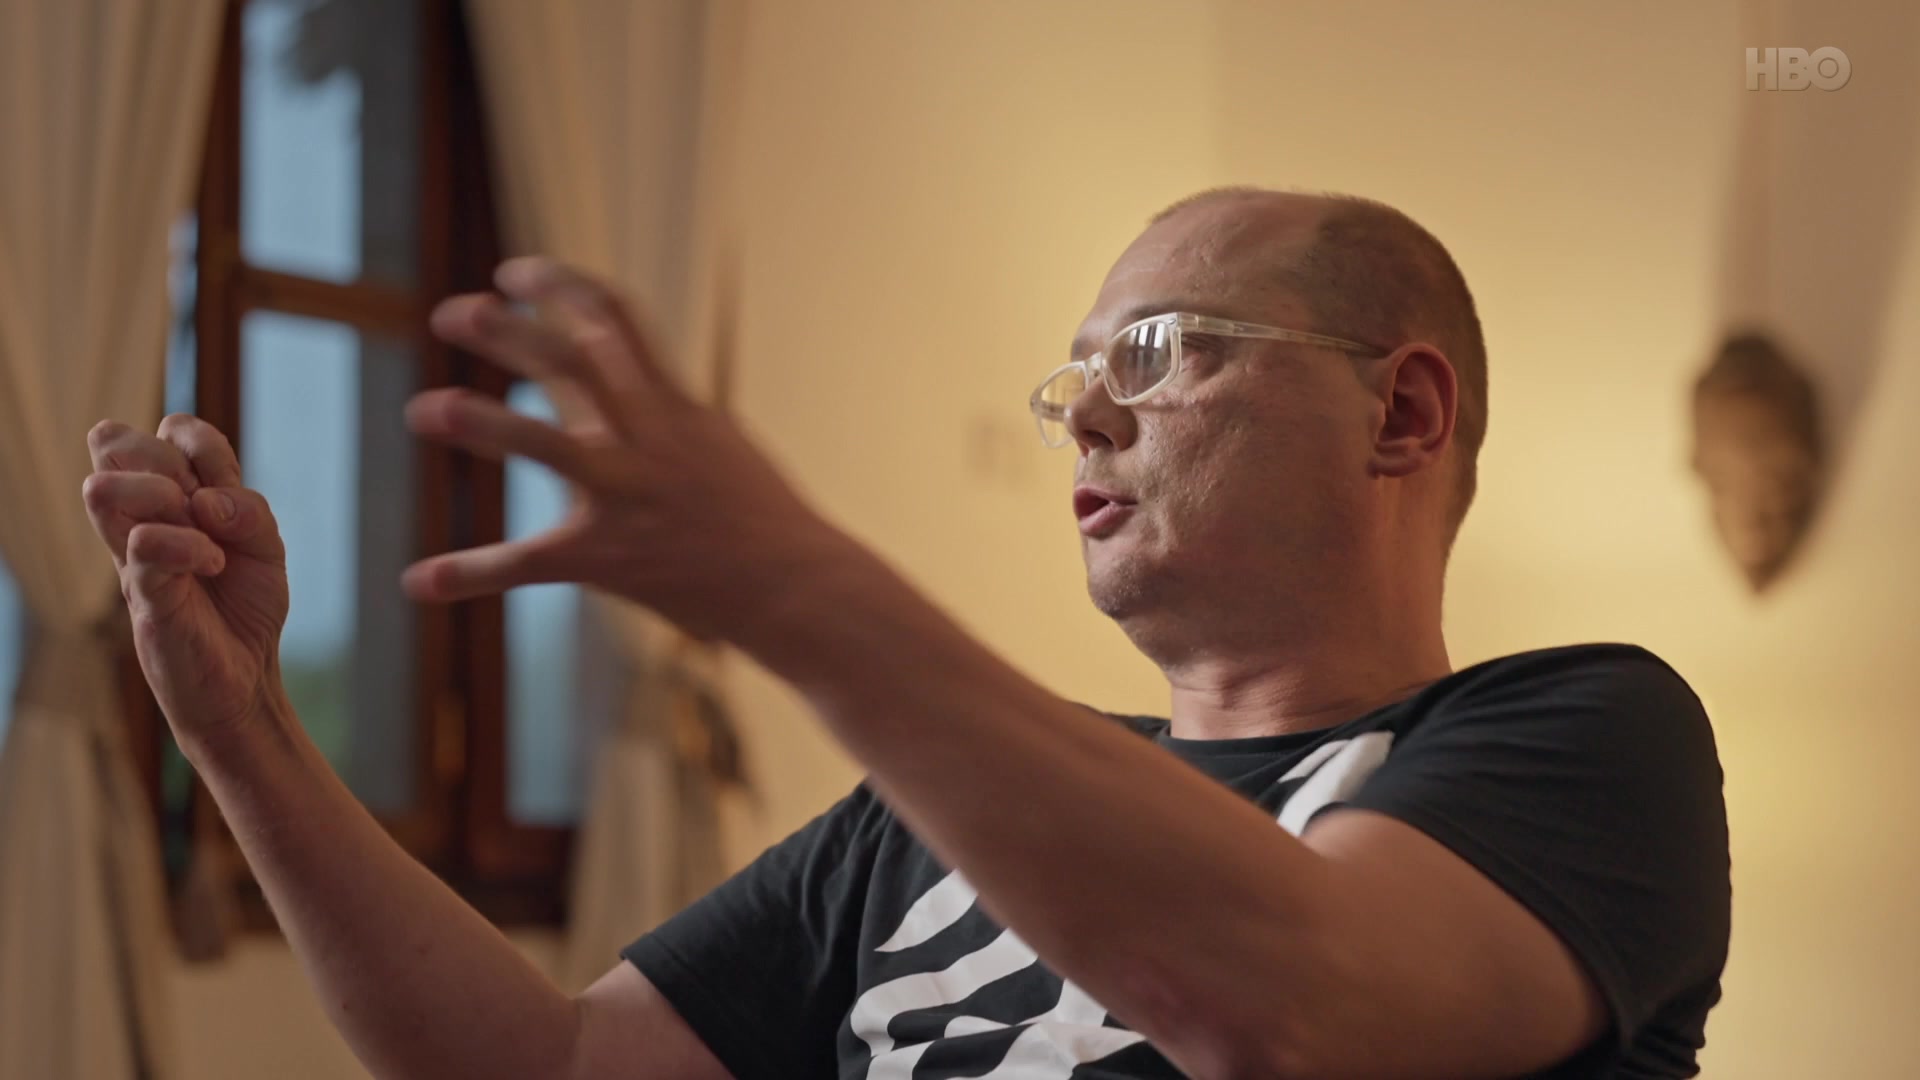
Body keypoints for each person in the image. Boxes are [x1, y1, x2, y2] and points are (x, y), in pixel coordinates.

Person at [83, 187, 1729, 1079]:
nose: (1089, 416)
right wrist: (242, 733)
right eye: (1075, 377)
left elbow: (1295, 1011)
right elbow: (553, 1068)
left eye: (1157, 351)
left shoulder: (1585, 738)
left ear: (1403, 414)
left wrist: (789, 582)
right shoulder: (926, 823)